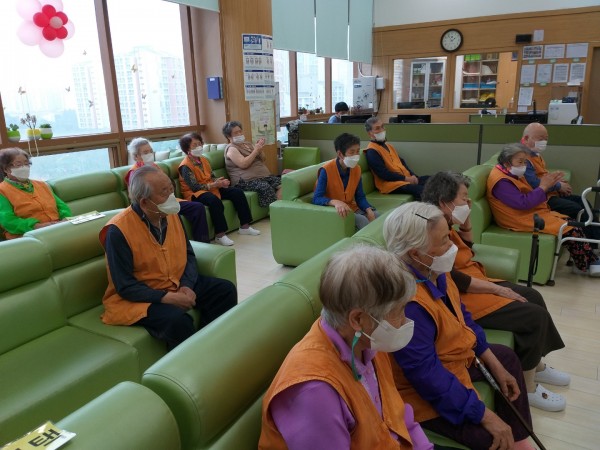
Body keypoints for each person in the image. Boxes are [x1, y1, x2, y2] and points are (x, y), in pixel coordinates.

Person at [384, 202, 535, 450]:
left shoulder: (435, 270)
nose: (452, 246)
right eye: (444, 240)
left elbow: (462, 317)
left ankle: (520, 441)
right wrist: (484, 415)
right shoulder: (408, 305)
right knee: (489, 440)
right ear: (415, 254)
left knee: (505, 358)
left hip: (452, 360)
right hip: (417, 391)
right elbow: (428, 377)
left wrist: (494, 363)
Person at [259, 244, 439, 449]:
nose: (404, 320)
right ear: (358, 319)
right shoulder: (314, 391)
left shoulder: (367, 342)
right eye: (399, 311)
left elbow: (398, 414)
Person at [423, 171, 569, 411]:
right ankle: (528, 387)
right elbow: (453, 278)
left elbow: (465, 249)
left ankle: (536, 366)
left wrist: (466, 223)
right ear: (444, 201)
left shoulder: (445, 221)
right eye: (463, 198)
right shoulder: (430, 227)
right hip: (462, 295)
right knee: (534, 317)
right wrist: (497, 290)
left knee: (534, 296)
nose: (468, 202)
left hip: (474, 280)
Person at [100, 165, 237, 351]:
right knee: (177, 321)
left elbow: (188, 254)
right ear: (144, 202)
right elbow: (125, 286)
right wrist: (166, 297)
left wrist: (187, 285)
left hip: (176, 282)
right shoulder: (117, 231)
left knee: (224, 290)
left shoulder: (170, 214)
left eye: (171, 190)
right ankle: (190, 362)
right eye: (164, 193)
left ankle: (212, 346)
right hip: (143, 296)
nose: (172, 197)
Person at [487, 143, 599, 275]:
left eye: (525, 162)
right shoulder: (500, 181)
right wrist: (543, 187)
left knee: (572, 223)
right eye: (520, 162)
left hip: (529, 212)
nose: (523, 165)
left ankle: (589, 262)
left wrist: (548, 184)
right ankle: (588, 265)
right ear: (506, 163)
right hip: (517, 218)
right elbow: (523, 203)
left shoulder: (511, 172)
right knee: (571, 229)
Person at [178, 132, 260, 247]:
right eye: (194, 145)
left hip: (210, 187)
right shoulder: (185, 166)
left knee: (237, 192)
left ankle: (245, 226)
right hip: (194, 194)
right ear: (187, 149)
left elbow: (211, 176)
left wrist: (221, 182)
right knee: (213, 200)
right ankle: (220, 235)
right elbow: (195, 187)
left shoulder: (203, 160)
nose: (199, 147)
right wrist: (215, 184)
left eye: (199, 144)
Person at [125, 137, 210, 243]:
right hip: (154, 205)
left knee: (198, 207)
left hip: (168, 199)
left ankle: (203, 243)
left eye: (151, 151)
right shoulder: (134, 173)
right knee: (173, 212)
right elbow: (138, 198)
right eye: (145, 152)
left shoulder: (154, 167)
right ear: (136, 156)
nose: (150, 154)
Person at [0, 147, 71, 239]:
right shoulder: (2, 190)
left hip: (57, 228)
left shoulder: (41, 185)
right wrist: (36, 226)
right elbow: (7, 221)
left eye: (26, 164)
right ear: (6, 169)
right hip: (27, 236)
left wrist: (65, 219)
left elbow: (61, 206)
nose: (24, 168)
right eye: (18, 165)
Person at [313, 133, 379, 230]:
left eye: (357, 151)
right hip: (334, 210)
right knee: (362, 220)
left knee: (377, 215)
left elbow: (360, 196)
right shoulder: (326, 170)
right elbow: (316, 198)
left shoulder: (357, 169)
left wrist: (368, 210)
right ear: (340, 154)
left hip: (351, 208)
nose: (356, 156)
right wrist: (335, 202)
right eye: (352, 152)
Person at [521, 123, 585, 220]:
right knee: (577, 209)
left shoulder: (535, 154)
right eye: (540, 139)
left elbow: (541, 174)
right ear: (526, 138)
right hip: (541, 199)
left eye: (546, 139)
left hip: (549, 193)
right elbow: (533, 184)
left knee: (584, 202)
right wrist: (558, 186)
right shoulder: (522, 158)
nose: (544, 142)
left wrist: (556, 180)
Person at [364, 117, 429, 200]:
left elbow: (402, 162)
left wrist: (413, 175)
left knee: (435, 180)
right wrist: (406, 179)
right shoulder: (372, 151)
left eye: (382, 126)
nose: (382, 130)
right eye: (377, 128)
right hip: (391, 185)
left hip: (405, 179)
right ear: (370, 133)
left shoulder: (389, 146)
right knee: (424, 191)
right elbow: (384, 174)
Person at [222, 121, 281, 207]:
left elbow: (263, 159)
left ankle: (278, 208)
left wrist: (259, 149)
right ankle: (274, 210)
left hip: (263, 177)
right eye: (236, 133)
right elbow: (243, 164)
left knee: (284, 184)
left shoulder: (248, 144)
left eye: (240, 131)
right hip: (245, 181)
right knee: (265, 187)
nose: (239, 134)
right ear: (228, 136)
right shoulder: (231, 149)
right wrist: (255, 151)